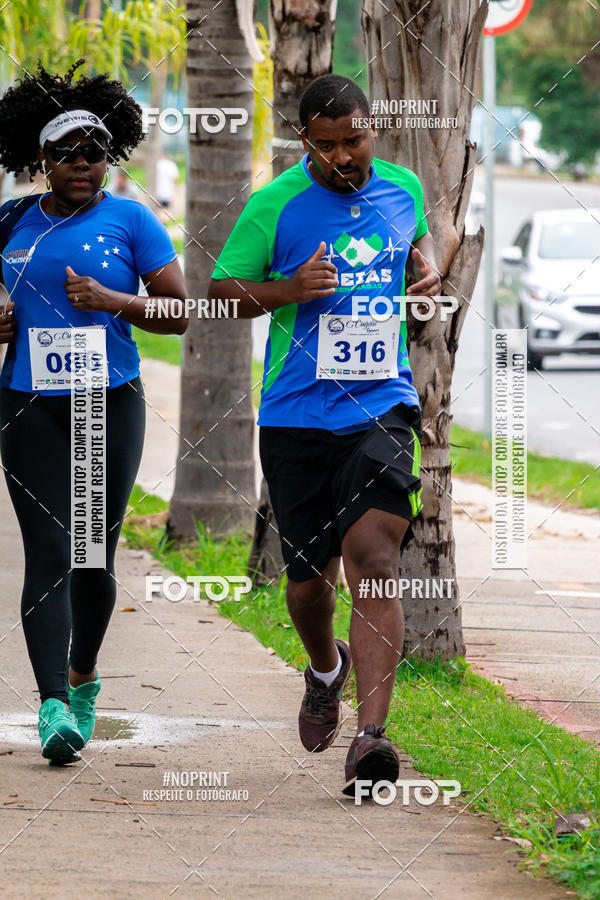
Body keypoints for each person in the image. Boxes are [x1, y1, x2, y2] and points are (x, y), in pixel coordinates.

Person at [209, 74, 441, 796]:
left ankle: (372, 738)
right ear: (304, 139)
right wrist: (288, 289)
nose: (345, 156)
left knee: (374, 554)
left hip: (382, 405)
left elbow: (422, 240)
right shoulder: (274, 205)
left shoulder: (403, 187)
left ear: (374, 128)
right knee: (309, 586)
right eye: (328, 144)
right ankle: (324, 670)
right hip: (296, 415)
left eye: (356, 139)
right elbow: (221, 296)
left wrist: (426, 267)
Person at [0, 60, 188, 764]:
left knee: (91, 559)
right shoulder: (13, 220)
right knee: (46, 553)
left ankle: (83, 677)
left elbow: (179, 313)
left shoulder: (132, 219)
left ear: (111, 159)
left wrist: (117, 303)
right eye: (67, 153)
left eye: (96, 152)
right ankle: (51, 706)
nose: (84, 164)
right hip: (27, 406)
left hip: (107, 404)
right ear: (40, 160)